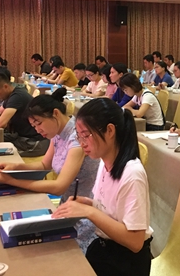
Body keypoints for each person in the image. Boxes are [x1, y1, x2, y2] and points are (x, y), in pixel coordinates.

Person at [0, 88, 99, 252]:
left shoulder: (77, 139)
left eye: (39, 123)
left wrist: (11, 180)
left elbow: (59, 186)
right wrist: (15, 167)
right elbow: (44, 165)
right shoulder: (57, 132)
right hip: (67, 207)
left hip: (84, 214)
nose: (37, 130)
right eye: (34, 126)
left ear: (55, 114)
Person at [52, 98, 153, 276]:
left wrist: (90, 212)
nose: (82, 143)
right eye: (79, 136)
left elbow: (135, 242)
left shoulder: (132, 173)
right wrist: (89, 204)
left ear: (110, 131)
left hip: (126, 262)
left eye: (86, 135)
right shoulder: (104, 162)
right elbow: (113, 211)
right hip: (105, 247)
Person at [0, 71, 49, 156]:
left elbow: (0, 124)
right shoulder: (11, 94)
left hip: (33, 142)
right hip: (22, 137)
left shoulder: (17, 96)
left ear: (5, 86)